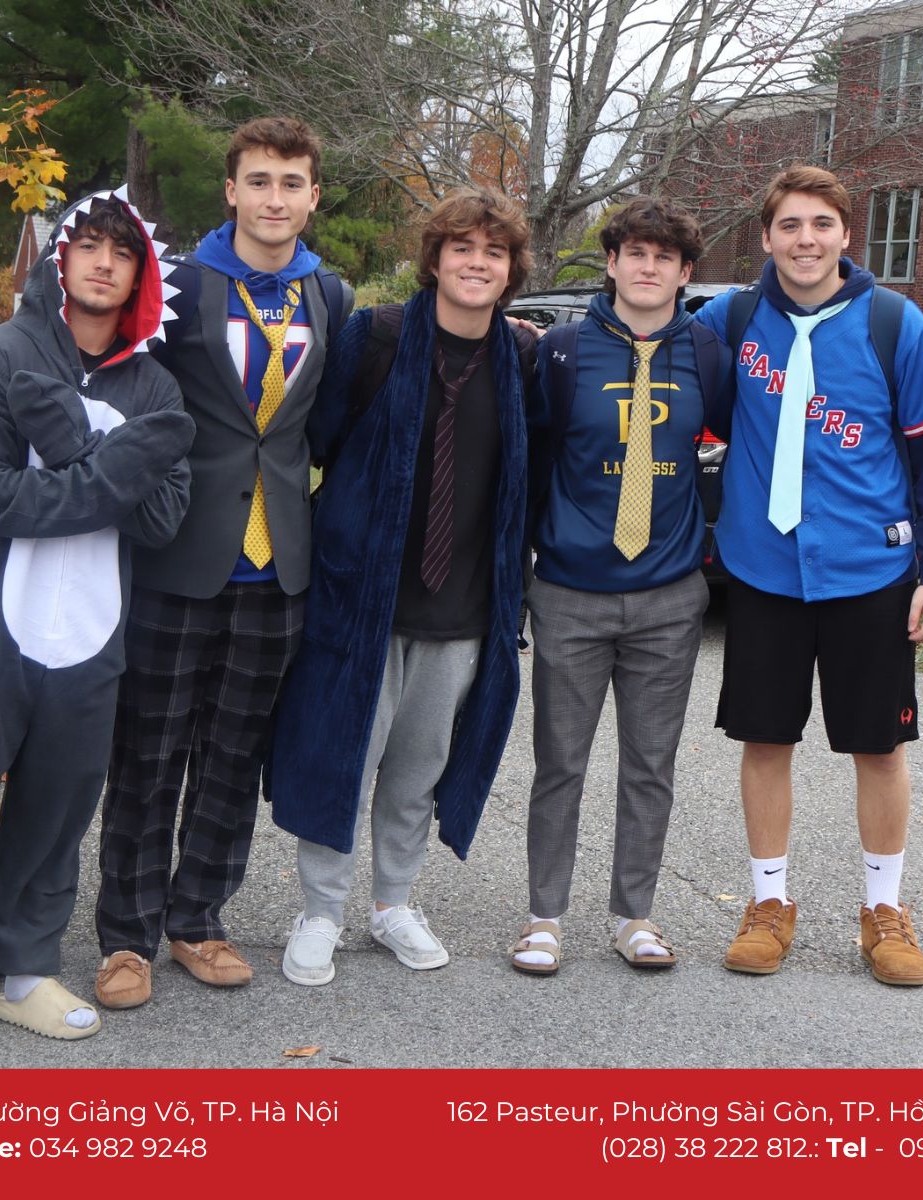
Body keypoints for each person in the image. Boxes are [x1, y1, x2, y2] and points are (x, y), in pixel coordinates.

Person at [0, 117, 351, 1009]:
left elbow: (334, 419)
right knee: (148, 755)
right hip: (176, 552)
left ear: (313, 196)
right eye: (259, 181)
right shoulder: (182, 286)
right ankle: (125, 937)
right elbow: (98, 362)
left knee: (233, 758)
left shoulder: (331, 296)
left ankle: (198, 918)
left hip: (279, 565)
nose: (275, 198)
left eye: (292, 183)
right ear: (232, 191)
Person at [0, 190, 194, 1068]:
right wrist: (112, 470)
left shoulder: (155, 387)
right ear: (60, 259)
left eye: (120, 253)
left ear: (140, 275)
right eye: (86, 245)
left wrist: (77, 470)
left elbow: (163, 520)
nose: (102, 263)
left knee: (57, 806)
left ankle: (24, 974)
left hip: (91, 633)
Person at [693, 164, 923, 986]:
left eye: (821, 224)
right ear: (766, 236)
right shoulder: (730, 320)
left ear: (846, 234)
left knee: (878, 746)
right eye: (789, 225)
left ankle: (884, 910)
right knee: (765, 738)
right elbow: (652, 355)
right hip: (764, 568)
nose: (805, 240)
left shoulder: (894, 324)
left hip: (870, 572)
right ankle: (768, 903)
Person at [269, 190, 536, 986]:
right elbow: (318, 439)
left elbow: (531, 473)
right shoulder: (376, 336)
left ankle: (392, 905)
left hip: (463, 608)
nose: (477, 263)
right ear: (435, 258)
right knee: (343, 760)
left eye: (493, 252)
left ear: (511, 269)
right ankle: (321, 911)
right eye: (462, 248)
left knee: (418, 773)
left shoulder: (521, 359)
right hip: (363, 600)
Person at [509, 197, 731, 976]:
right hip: (571, 591)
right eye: (635, 253)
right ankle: (544, 917)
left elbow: (737, 449)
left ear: (685, 271)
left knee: (650, 765)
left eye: (664, 257)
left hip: (668, 595)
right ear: (611, 262)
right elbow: (531, 461)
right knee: (560, 763)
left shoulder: (707, 354)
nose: (648, 267)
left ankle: (634, 915)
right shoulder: (563, 351)